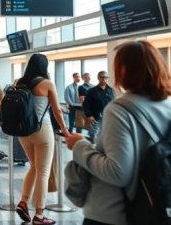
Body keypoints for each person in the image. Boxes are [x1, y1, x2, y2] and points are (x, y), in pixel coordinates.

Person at [66, 40, 171, 225]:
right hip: (155, 207)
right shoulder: (167, 105)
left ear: (123, 70)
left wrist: (79, 146)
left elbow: (117, 171)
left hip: (113, 213)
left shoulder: (120, 109)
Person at [14, 54, 70, 225]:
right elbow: (57, 111)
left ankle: (24, 202)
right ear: (44, 67)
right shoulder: (47, 83)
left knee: (34, 167)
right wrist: (66, 131)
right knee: (43, 171)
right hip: (42, 131)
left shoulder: (18, 82)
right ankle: (39, 215)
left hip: (23, 132)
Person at [82, 71, 114, 143]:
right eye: (102, 77)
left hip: (107, 117)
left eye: (106, 78)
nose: (104, 79)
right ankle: (93, 152)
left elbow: (113, 103)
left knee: (106, 136)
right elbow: (86, 104)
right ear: (98, 78)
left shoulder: (111, 90)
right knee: (94, 136)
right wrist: (89, 115)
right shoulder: (92, 91)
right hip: (95, 117)